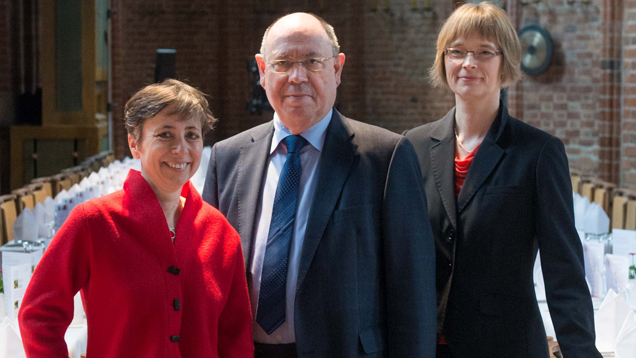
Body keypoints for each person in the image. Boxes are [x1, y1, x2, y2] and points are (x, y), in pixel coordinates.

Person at [202, 12, 436, 358]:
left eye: (312, 61)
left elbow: (412, 291)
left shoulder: (385, 157)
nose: (298, 77)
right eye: (283, 63)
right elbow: (208, 275)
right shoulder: (228, 157)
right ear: (263, 71)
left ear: (337, 69)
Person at [404, 2, 601, 358]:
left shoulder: (538, 152)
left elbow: (564, 271)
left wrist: (582, 352)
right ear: (443, 59)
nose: (469, 63)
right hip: (425, 345)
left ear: (505, 62)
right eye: (457, 51)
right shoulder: (412, 146)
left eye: (484, 52)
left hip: (505, 344)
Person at [19, 79, 254, 357]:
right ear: (135, 144)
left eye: (192, 134)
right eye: (165, 134)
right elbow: (38, 315)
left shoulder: (221, 233)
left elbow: (235, 338)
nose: (181, 149)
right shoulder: (94, 222)